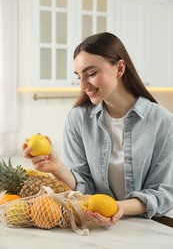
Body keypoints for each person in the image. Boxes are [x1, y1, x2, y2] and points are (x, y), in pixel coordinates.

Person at [23, 32, 173, 226]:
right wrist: (56, 166)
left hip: (147, 228)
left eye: (91, 73)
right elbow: (83, 186)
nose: (83, 85)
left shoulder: (163, 122)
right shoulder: (78, 119)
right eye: (79, 76)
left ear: (119, 68)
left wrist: (120, 208)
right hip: (95, 227)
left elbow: (163, 191)